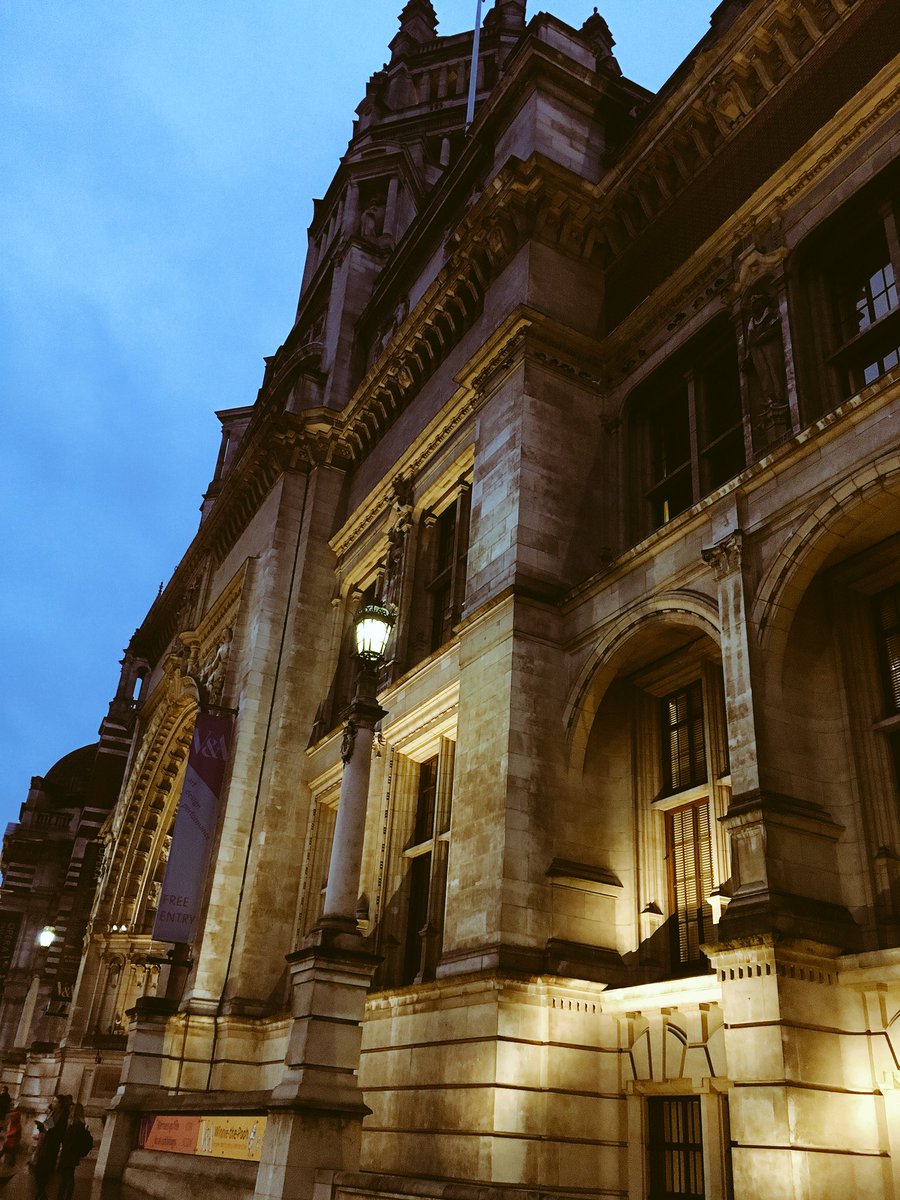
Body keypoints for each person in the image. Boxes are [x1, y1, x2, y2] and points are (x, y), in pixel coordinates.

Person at [31, 1095, 70, 1200]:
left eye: (55, 1101)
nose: (53, 1103)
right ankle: (41, 1192)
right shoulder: (53, 1113)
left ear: (60, 1104)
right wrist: (41, 1127)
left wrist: (43, 1127)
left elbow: (52, 1129)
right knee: (38, 1169)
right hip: (44, 1145)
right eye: (53, 1101)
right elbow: (46, 1127)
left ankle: (41, 1191)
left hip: (50, 1147)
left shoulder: (61, 1114)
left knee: (43, 1169)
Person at [54, 1103, 92, 1200]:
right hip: (72, 1155)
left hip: (69, 1154)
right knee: (67, 1176)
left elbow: (70, 1141)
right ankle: (64, 1196)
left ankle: (64, 1197)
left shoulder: (75, 1125)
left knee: (66, 1177)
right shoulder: (80, 1125)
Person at [0, 1106, 20, 1171]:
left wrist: (5, 1134)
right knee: (8, 1151)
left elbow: (13, 1132)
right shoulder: (15, 1124)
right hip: (10, 1141)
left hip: (12, 1142)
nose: (10, 1119)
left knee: (7, 1151)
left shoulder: (17, 1125)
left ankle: (12, 1161)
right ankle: (12, 1161)